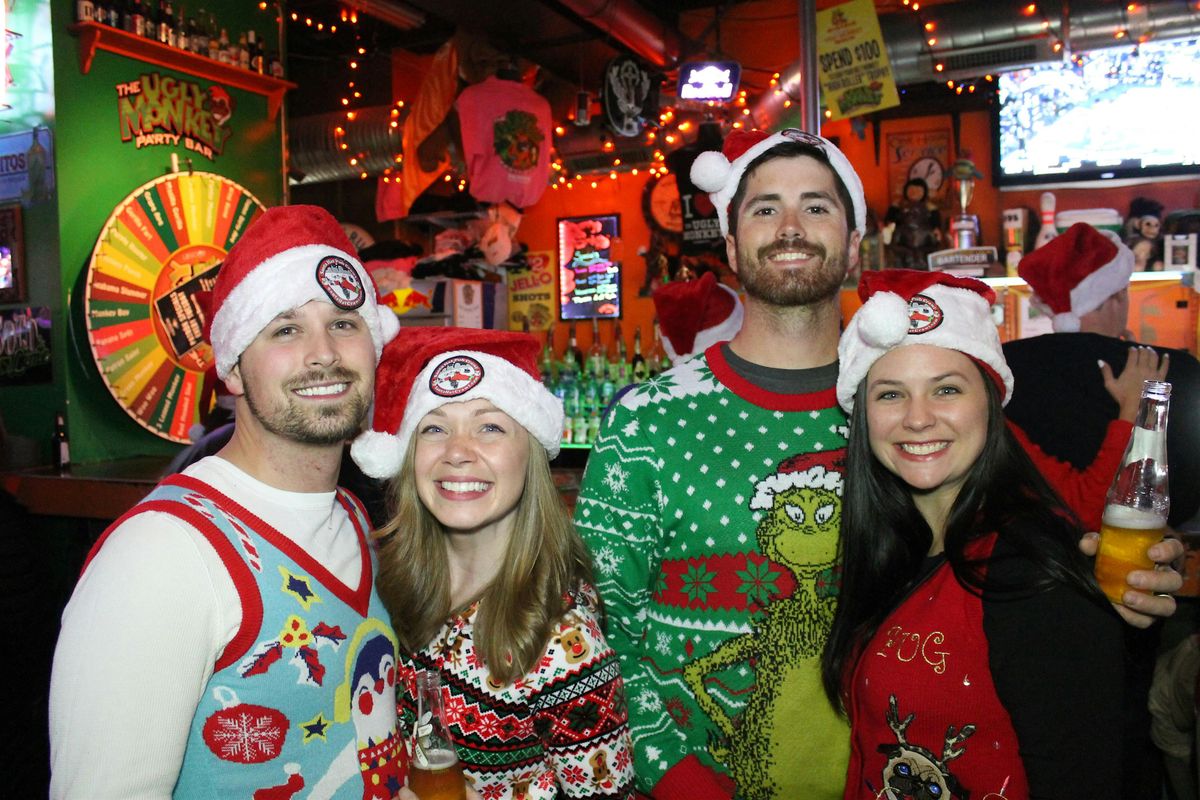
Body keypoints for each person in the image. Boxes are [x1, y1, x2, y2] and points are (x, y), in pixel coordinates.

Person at [572, 127, 1184, 800]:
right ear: (729, 242)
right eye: (764, 207)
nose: (791, 226)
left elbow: (1032, 537)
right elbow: (598, 631)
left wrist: (1107, 583)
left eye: (817, 204)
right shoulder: (648, 420)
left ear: (854, 240)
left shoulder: (907, 409)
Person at [49, 205, 406, 799]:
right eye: (285, 329)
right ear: (234, 370)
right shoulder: (160, 556)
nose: (324, 353)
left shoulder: (352, 518)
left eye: (345, 324)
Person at [824, 268, 1124, 797]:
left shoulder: (1030, 571)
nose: (918, 419)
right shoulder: (885, 549)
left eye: (946, 389)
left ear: (990, 401)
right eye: (890, 395)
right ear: (863, 416)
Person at [351, 326, 636, 800]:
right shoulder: (391, 586)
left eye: (490, 426)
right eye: (435, 428)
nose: (458, 452)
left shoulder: (564, 645)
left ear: (531, 454)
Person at [1007, 220, 1200, 798]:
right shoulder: (1180, 373)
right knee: (1129, 733)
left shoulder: (997, 374)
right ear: (1116, 297)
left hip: (1021, 601)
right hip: (1137, 591)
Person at [1006, 221, 1200, 530]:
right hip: (1138, 547)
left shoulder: (1003, 367)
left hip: (1030, 552)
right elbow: (1186, 499)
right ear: (1119, 293)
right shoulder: (1182, 371)